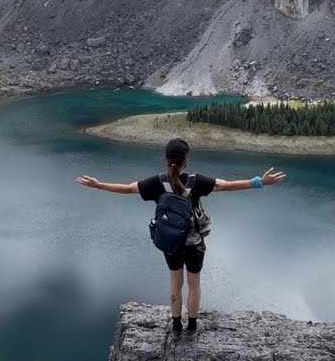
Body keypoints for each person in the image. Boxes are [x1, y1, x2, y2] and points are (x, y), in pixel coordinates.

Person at [76, 137, 286, 334]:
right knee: (194, 282)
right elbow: (226, 185)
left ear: (167, 159)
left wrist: (99, 185)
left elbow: (129, 189)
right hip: (194, 242)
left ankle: (176, 324)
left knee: (175, 281)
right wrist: (260, 182)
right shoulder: (196, 181)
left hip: (170, 242)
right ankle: (193, 325)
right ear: (187, 159)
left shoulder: (158, 183)